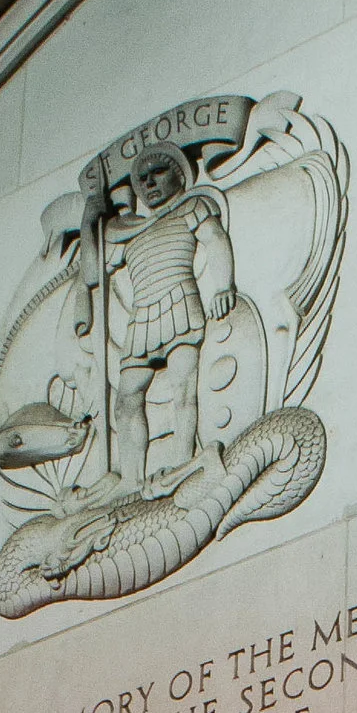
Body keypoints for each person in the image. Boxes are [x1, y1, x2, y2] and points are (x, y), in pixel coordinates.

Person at [75, 147, 236, 488]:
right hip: (143, 316)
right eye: (142, 180)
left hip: (180, 301)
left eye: (158, 173)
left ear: (179, 173)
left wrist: (223, 286)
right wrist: (89, 222)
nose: (149, 183)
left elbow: (215, 239)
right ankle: (131, 480)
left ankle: (183, 463)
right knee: (127, 397)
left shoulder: (192, 206)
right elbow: (92, 275)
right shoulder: (125, 229)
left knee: (183, 388)